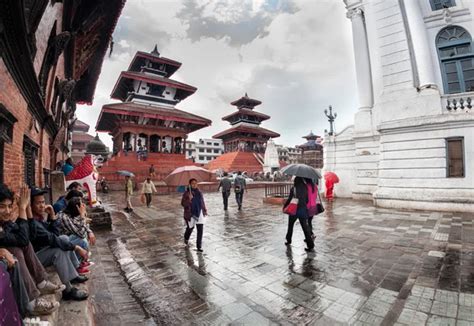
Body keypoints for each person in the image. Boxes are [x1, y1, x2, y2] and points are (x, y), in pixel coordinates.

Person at [0, 184, 63, 315]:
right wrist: (22, 208)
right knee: (16, 250)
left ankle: (41, 283)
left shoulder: (5, 223)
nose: (7, 211)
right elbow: (24, 239)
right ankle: (32, 301)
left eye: (10, 206)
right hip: (11, 264)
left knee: (25, 244)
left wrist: (26, 209)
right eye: (2, 207)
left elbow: (30, 236)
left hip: (23, 259)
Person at [28, 187, 89, 301]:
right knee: (59, 251)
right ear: (30, 205)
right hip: (34, 259)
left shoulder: (39, 218)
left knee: (64, 238)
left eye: (43, 202)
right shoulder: (32, 222)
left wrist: (52, 216)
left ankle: (73, 274)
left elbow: (54, 235)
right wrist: (76, 247)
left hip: (42, 251)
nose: (42, 206)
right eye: (38, 203)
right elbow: (52, 238)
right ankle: (68, 290)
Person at [57, 196, 96, 264]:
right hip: (61, 242)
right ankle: (78, 263)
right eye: (81, 205)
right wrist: (82, 216)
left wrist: (90, 231)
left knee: (85, 234)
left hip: (69, 237)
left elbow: (80, 225)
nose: (83, 207)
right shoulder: (64, 216)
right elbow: (81, 233)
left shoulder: (72, 214)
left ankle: (82, 259)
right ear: (77, 208)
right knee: (83, 240)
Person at [283, 177, 314, 252]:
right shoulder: (306, 188)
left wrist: (285, 206)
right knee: (305, 228)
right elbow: (307, 200)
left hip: (294, 210)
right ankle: (310, 245)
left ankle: (288, 240)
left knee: (290, 226)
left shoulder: (293, 188)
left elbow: (290, 199)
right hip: (303, 210)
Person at [181, 179, 208, 252]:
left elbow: (202, 202)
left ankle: (199, 246)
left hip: (199, 213)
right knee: (190, 229)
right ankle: (186, 238)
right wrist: (189, 199)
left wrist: (204, 210)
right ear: (189, 184)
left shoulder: (199, 192)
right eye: (193, 183)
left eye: (196, 183)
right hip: (191, 214)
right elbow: (183, 204)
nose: (194, 185)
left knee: (200, 230)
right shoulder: (186, 193)